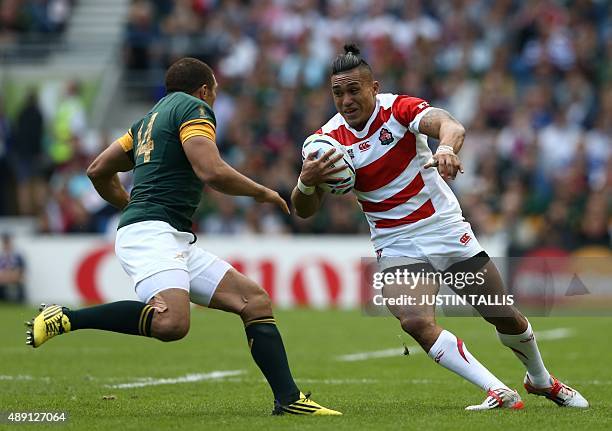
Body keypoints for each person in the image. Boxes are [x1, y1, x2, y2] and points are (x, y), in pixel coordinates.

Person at [26, 57, 340, 416]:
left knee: (254, 301)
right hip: (152, 233)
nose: (215, 101)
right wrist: (262, 192)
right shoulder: (194, 108)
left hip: (164, 233)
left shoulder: (148, 120)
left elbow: (98, 170)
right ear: (205, 90)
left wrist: (131, 205)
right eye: (215, 93)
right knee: (172, 323)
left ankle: (289, 400)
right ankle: (66, 317)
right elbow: (210, 171)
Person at [291, 44, 588, 411]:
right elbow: (303, 209)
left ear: (374, 87)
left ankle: (540, 379)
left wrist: (446, 148)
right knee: (414, 320)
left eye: (354, 90)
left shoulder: (398, 109)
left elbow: (450, 125)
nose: (346, 100)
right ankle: (498, 391)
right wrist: (305, 182)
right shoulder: (325, 142)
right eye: (338, 93)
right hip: (394, 240)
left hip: (442, 228)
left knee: (501, 314)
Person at [0, 233, 25, 303]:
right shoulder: (1, 257)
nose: (6, 245)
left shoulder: (17, 256)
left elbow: (21, 272)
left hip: (15, 280)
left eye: (8, 242)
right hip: (3, 281)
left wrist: (10, 277)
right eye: (5, 243)